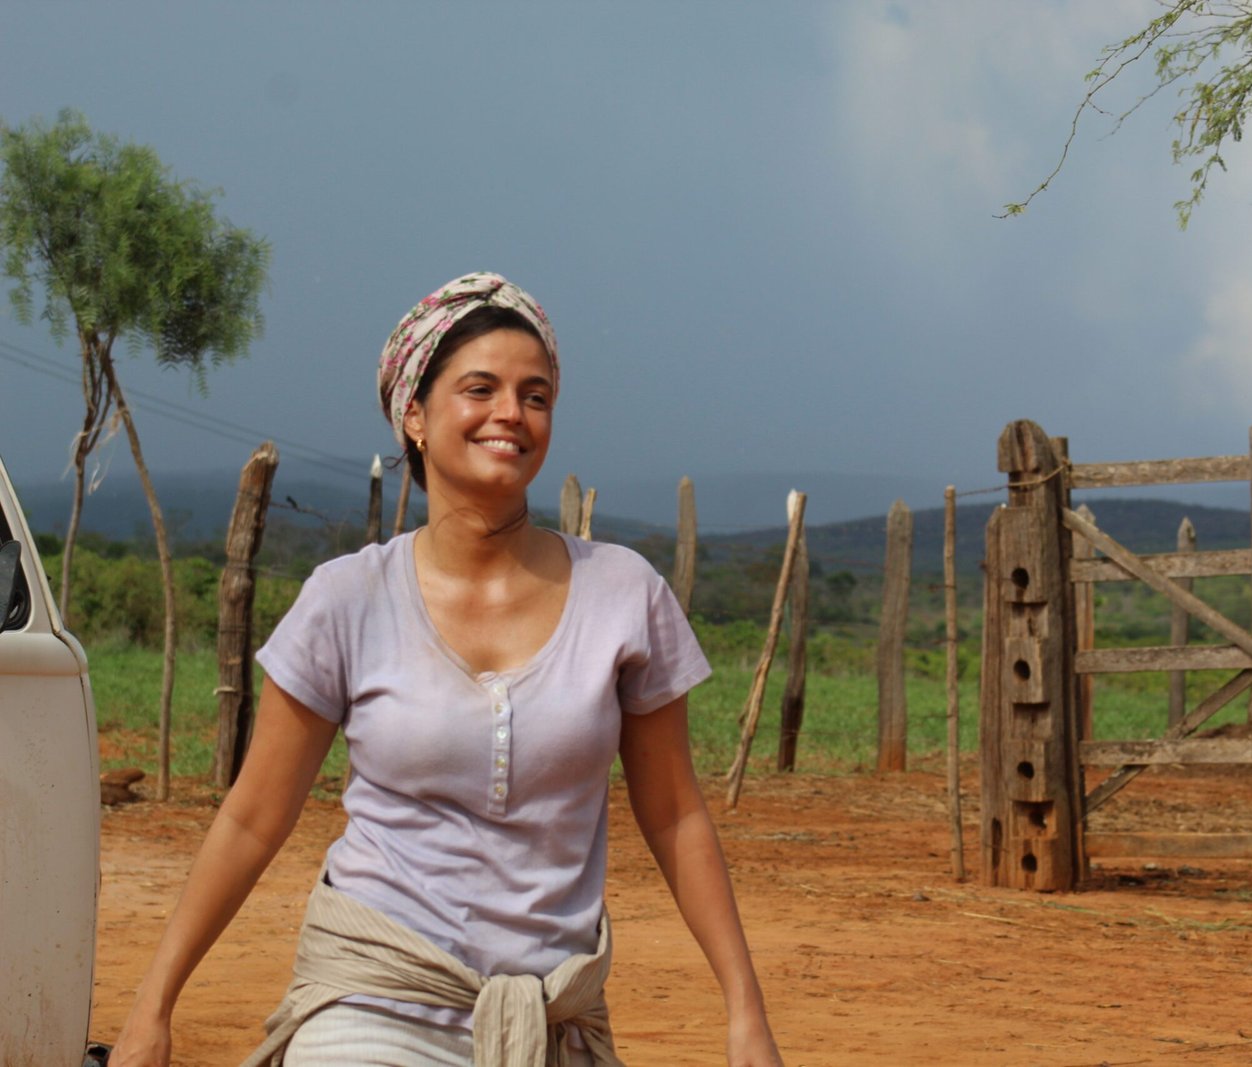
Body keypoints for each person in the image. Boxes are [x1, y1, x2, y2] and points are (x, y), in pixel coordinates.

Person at [110, 272, 783, 1067]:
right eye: (481, 388)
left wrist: (746, 1011)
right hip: (373, 996)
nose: (512, 414)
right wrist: (152, 1008)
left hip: (550, 1015)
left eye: (536, 396)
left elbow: (676, 814)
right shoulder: (349, 597)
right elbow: (254, 815)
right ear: (416, 417)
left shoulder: (623, 593)